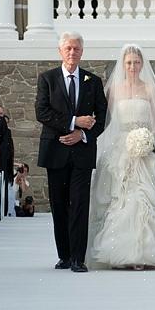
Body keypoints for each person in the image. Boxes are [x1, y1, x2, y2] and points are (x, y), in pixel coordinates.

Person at [87, 44, 155, 269]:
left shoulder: (149, 89)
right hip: (120, 147)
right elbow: (106, 119)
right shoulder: (114, 90)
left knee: (148, 198)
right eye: (128, 62)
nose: (133, 66)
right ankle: (120, 251)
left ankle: (150, 252)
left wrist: (148, 138)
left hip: (146, 147)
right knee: (120, 197)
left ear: (142, 64)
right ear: (123, 64)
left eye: (136, 62)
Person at [35, 32, 108, 273]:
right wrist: (74, 121)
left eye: (76, 48)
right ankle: (64, 255)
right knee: (59, 203)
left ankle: (78, 257)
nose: (72, 52)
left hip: (82, 152)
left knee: (79, 203)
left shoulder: (93, 81)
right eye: (68, 48)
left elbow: (101, 117)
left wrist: (82, 134)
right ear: (60, 51)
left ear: (82, 52)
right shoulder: (48, 78)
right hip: (55, 149)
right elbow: (42, 112)